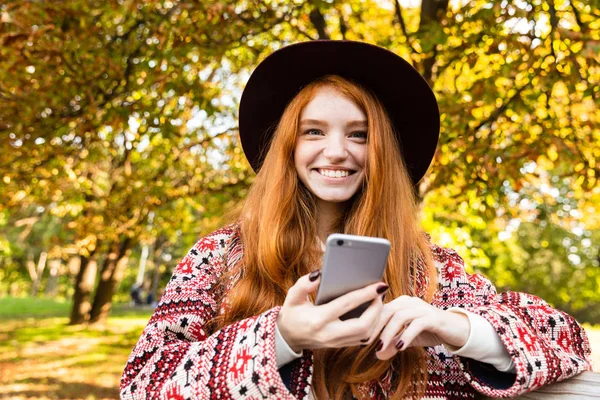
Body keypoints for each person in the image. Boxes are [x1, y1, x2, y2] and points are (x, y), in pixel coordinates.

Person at [120, 41, 592, 399]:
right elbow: (143, 383)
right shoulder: (219, 256)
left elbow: (565, 339)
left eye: (359, 134)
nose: (337, 151)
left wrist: (454, 327)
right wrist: (282, 338)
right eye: (314, 132)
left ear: (381, 151)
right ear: (288, 146)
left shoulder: (431, 268)